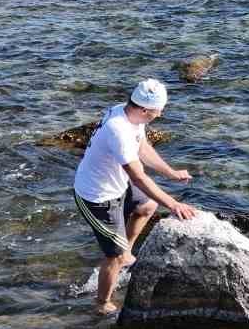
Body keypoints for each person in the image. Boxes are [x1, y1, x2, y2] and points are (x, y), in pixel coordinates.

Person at [72, 78, 197, 316]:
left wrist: (170, 173)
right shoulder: (118, 130)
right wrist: (173, 204)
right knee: (114, 257)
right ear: (144, 109)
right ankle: (102, 302)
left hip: (117, 184)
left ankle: (125, 251)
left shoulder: (128, 113)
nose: (160, 115)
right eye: (158, 110)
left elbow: (142, 148)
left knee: (147, 206)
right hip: (96, 197)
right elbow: (139, 178)